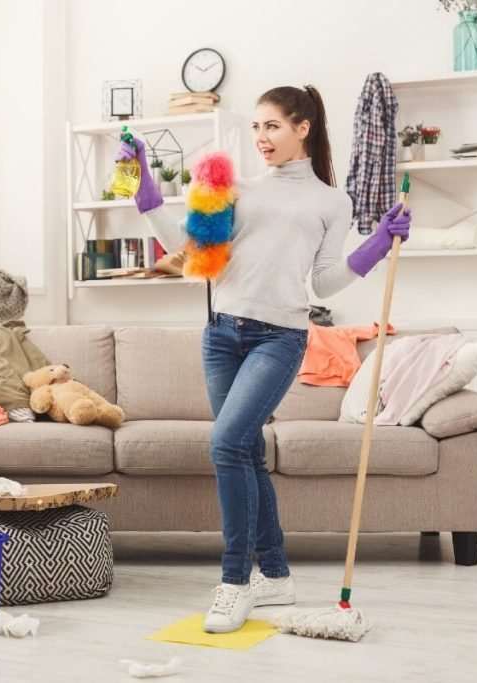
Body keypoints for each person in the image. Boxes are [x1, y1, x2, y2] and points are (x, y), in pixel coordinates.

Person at [116, 85, 410, 633]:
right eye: (255, 127)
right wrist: (142, 181)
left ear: (303, 127)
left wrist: (378, 243)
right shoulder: (234, 187)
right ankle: (274, 575)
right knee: (246, 452)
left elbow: (324, 280)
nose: (261, 138)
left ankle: (235, 583)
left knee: (226, 444)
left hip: (280, 338)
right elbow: (183, 245)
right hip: (221, 334)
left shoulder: (331, 201)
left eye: (271, 126)